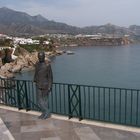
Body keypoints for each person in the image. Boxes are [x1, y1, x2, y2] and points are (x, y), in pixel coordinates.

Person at [34, 51, 53, 119]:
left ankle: (45, 113)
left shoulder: (47, 65)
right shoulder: (37, 63)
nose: (40, 58)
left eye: (41, 57)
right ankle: (47, 111)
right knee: (39, 101)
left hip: (46, 85)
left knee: (45, 101)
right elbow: (36, 72)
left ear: (44, 57)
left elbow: (50, 77)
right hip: (38, 84)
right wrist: (34, 79)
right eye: (39, 57)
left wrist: (50, 86)